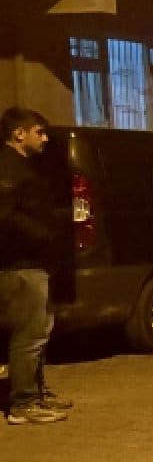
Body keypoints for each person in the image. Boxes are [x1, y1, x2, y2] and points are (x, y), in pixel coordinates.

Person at [1, 107, 72, 424]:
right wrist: (42, 235)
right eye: (38, 132)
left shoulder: (23, 167)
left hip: (34, 261)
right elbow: (6, 215)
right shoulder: (8, 168)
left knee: (39, 331)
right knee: (29, 334)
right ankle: (24, 403)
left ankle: (37, 392)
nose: (44, 139)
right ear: (19, 134)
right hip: (21, 264)